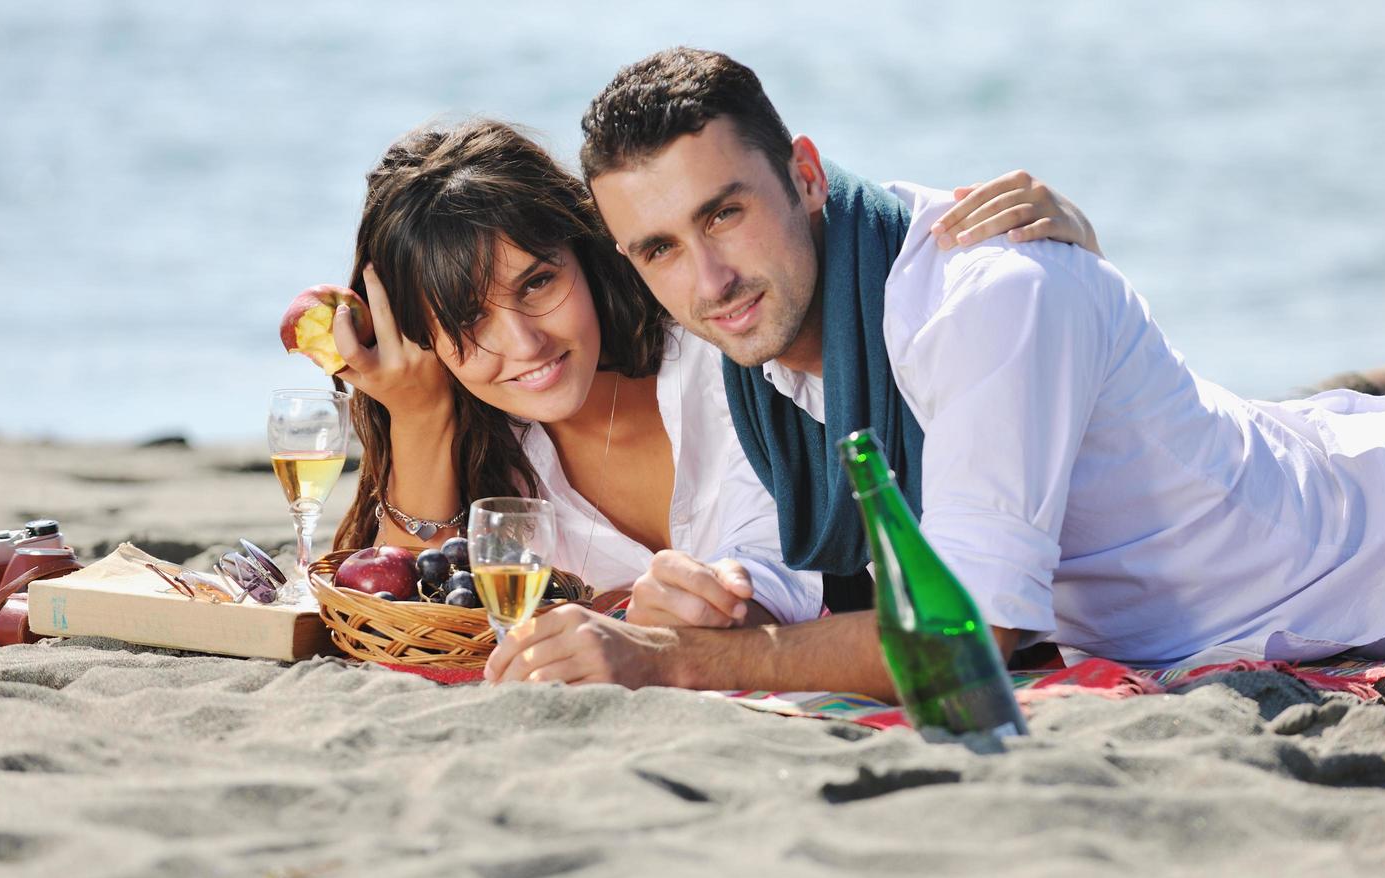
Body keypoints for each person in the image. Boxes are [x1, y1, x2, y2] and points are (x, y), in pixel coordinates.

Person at [485, 47, 1385, 694]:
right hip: (1283, 480)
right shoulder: (761, 339)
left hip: (1380, 555)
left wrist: (670, 661)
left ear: (805, 174)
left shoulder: (987, 303)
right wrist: (712, 598)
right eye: (657, 248)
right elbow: (803, 556)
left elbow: (963, 638)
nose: (708, 279)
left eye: (724, 213)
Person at [329, 119, 1103, 646]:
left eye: (537, 285)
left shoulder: (724, 344)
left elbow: (818, 227)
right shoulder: (493, 455)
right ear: (420, 337)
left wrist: (1051, 248)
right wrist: (419, 412)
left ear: (587, 254)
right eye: (469, 321)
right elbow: (403, 618)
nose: (523, 343)